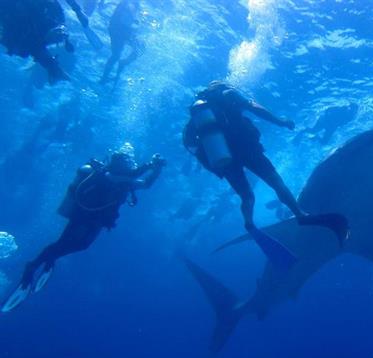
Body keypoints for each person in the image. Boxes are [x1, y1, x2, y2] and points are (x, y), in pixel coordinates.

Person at [183, 81, 349, 269]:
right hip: (248, 149)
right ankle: (300, 214)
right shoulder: (228, 93)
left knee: (246, 196)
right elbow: (255, 108)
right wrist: (281, 122)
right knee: (276, 183)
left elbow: (189, 142)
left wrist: (209, 161)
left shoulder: (198, 114)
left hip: (226, 159)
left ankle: (249, 224)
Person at [1, 144, 165, 312]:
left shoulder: (125, 181)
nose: (131, 165)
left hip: (98, 221)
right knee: (63, 243)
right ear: (119, 164)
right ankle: (31, 268)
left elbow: (146, 184)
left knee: (81, 246)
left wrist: (157, 170)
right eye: (128, 163)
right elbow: (130, 175)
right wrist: (150, 165)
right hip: (82, 216)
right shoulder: (108, 175)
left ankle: (50, 259)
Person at [0, 0, 74, 83]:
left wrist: (61, 27)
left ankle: (53, 69)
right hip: (19, 34)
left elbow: (57, 11)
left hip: (30, 31)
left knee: (30, 42)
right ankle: (53, 69)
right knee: (27, 42)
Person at [100, 0, 142, 84]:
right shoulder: (127, 3)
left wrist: (134, 22)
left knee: (139, 48)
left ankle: (123, 63)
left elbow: (129, 17)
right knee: (116, 55)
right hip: (118, 30)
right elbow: (127, 14)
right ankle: (105, 77)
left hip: (123, 30)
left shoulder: (133, 4)